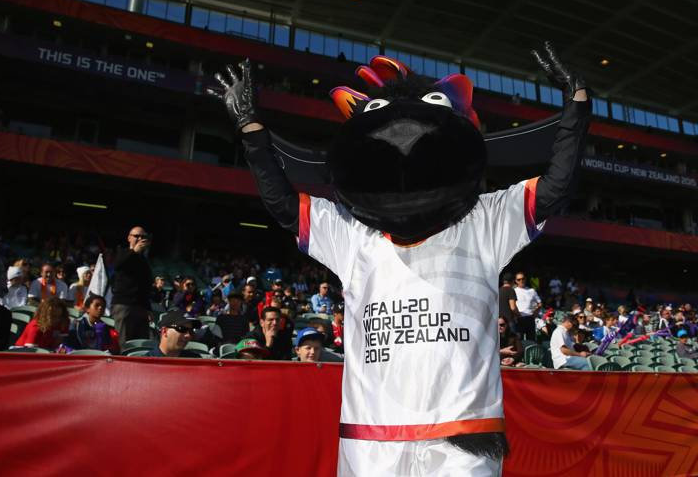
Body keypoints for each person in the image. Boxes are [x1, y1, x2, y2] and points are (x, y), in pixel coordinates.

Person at [213, 43, 590, 473]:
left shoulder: (484, 221)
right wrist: (251, 130)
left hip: (462, 436)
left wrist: (577, 105)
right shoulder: (351, 233)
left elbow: (557, 187)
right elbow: (282, 204)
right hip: (373, 436)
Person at [111, 226, 153, 349]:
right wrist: (134, 251)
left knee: (141, 343)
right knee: (123, 342)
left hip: (140, 307)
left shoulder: (144, 261)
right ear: (129, 238)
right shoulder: (122, 253)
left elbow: (146, 286)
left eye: (143, 237)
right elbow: (118, 264)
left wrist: (148, 308)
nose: (140, 239)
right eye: (136, 236)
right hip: (124, 305)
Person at [514, 272, 541, 340]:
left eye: (523, 279)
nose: (521, 281)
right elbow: (511, 305)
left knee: (531, 340)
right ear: (515, 281)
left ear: (525, 279)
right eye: (519, 279)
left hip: (530, 318)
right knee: (519, 341)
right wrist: (515, 315)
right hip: (519, 318)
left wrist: (535, 313)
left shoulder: (532, 290)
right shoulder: (513, 291)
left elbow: (540, 303)